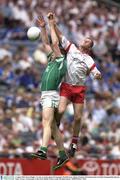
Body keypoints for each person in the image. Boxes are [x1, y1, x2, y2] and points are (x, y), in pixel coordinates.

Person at [49, 13, 102, 157]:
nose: (83, 41)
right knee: (59, 111)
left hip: (79, 89)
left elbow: (96, 72)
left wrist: (98, 75)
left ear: (89, 47)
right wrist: (53, 23)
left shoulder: (89, 59)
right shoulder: (71, 48)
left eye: (87, 41)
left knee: (78, 118)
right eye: (84, 39)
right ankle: (56, 127)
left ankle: (73, 143)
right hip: (66, 86)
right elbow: (60, 36)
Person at [31, 14, 69, 169]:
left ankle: (43, 150)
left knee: (46, 123)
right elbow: (47, 43)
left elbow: (53, 43)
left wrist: (52, 24)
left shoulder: (60, 61)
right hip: (47, 95)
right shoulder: (52, 59)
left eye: (55, 50)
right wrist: (42, 28)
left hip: (50, 95)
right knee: (52, 126)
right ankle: (62, 154)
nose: (51, 50)